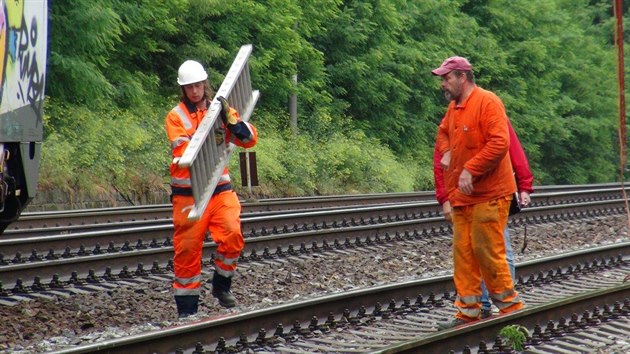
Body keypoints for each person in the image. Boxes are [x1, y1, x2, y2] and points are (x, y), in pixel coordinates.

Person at [431, 56, 525, 329]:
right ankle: (468, 312)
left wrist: (470, 169)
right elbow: (442, 134)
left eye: (446, 78)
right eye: (442, 79)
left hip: (490, 194)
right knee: (464, 254)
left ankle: (511, 310)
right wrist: (447, 152)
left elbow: (500, 142)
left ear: (462, 76)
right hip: (463, 198)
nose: (443, 84)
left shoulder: (488, 102)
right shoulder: (454, 108)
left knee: (488, 252)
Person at [165, 60, 258, 317]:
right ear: (183, 89)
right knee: (186, 253)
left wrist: (233, 125)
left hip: (219, 190)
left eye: (198, 85)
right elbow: (185, 152)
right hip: (188, 198)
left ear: (205, 84)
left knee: (232, 235)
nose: (194, 91)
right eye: (189, 87)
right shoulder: (176, 116)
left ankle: (221, 285)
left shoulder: (221, 109)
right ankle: (187, 312)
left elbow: (249, 140)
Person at [433, 117, 534, 319]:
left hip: (492, 194)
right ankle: (484, 303)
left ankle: (502, 305)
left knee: (498, 247)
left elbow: (510, 148)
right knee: (472, 250)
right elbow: (440, 161)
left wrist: (525, 185)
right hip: (464, 197)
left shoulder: (490, 115)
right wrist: (444, 197)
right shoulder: (452, 119)